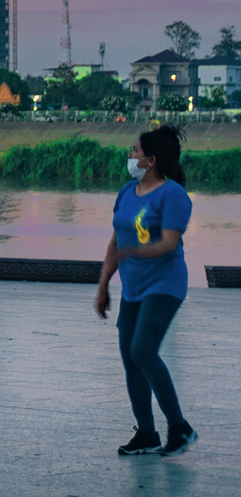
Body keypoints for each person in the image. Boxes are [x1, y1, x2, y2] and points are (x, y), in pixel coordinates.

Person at [94, 126, 197, 457]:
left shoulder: (173, 195)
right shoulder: (126, 191)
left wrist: (134, 252)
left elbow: (168, 243)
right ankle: (147, 433)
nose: (130, 156)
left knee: (143, 350)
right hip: (132, 288)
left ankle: (179, 427)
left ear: (151, 160)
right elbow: (115, 241)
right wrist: (103, 285)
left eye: (135, 151)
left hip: (164, 285)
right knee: (130, 357)